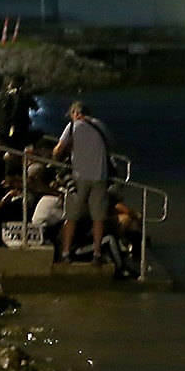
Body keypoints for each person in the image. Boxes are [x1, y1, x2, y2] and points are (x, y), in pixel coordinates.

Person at [53, 99, 114, 263]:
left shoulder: (73, 126)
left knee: (71, 217)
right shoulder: (100, 125)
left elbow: (58, 150)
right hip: (100, 177)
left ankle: (66, 253)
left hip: (79, 178)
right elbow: (109, 145)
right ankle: (97, 254)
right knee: (98, 218)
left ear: (75, 113)